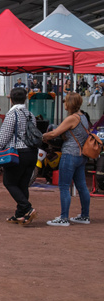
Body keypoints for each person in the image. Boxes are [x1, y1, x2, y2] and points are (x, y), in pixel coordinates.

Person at [43, 92, 92, 226]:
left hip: (70, 154)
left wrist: (41, 136)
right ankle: (84, 215)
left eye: (65, 101)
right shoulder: (83, 117)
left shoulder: (72, 118)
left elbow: (55, 133)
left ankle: (64, 217)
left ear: (70, 103)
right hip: (81, 156)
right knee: (82, 186)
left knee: (64, 186)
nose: (64, 103)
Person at [0, 87, 38, 226]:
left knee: (9, 182)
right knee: (22, 184)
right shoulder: (30, 114)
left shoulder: (12, 114)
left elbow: (4, 135)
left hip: (18, 153)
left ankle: (27, 208)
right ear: (25, 98)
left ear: (11, 99)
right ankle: (20, 214)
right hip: (32, 152)